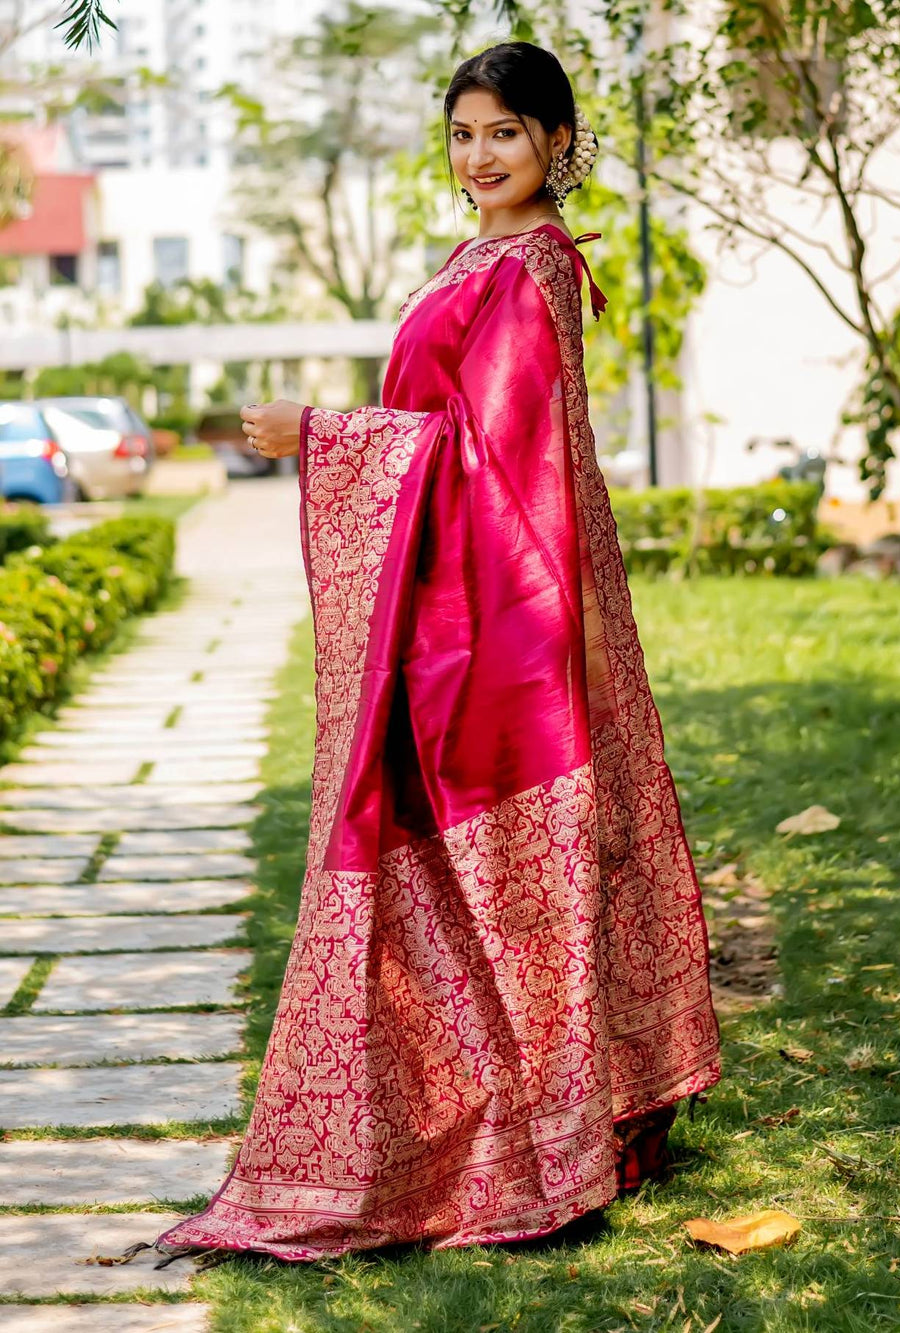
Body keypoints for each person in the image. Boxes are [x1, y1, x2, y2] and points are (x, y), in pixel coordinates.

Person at [154, 39, 720, 1263]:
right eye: (463, 134)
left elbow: (489, 458)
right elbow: (453, 430)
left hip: (503, 624)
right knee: (462, 878)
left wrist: (321, 432)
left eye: (504, 133)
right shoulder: (484, 256)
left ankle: (544, 1139)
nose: (480, 156)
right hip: (465, 606)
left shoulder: (529, 268)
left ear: (556, 142)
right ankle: (520, 1123)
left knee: (493, 877)